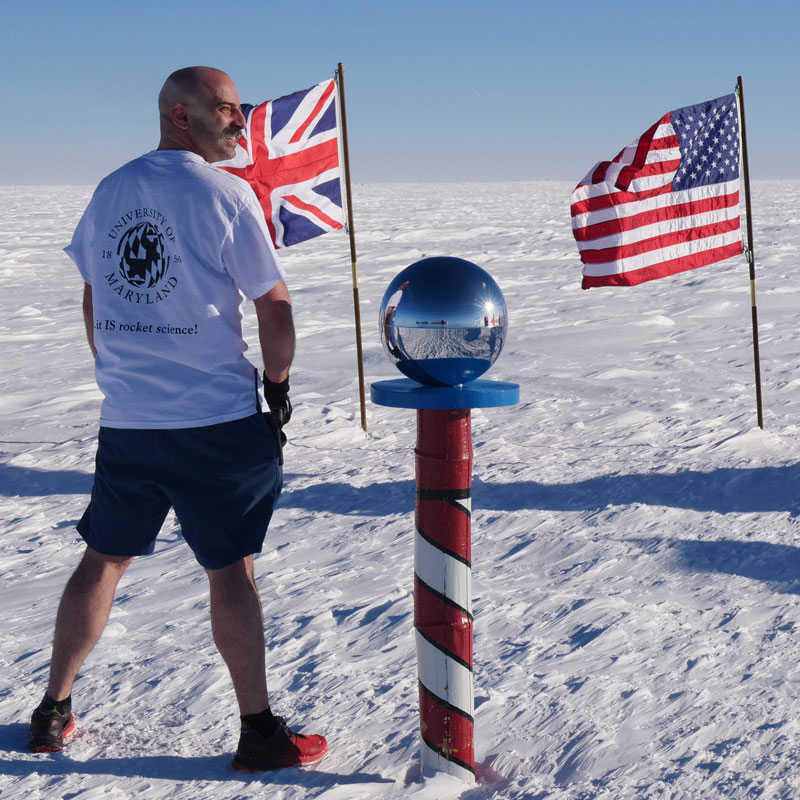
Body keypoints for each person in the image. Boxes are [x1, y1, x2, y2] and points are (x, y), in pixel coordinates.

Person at [27, 66, 327, 772]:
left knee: (103, 558)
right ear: (181, 116)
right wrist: (277, 386)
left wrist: (121, 372)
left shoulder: (111, 190)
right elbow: (274, 306)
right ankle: (258, 733)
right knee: (231, 570)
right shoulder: (225, 194)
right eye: (225, 110)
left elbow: (95, 296)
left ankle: (52, 709)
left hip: (130, 423)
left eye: (240, 109)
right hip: (216, 424)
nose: (238, 122)